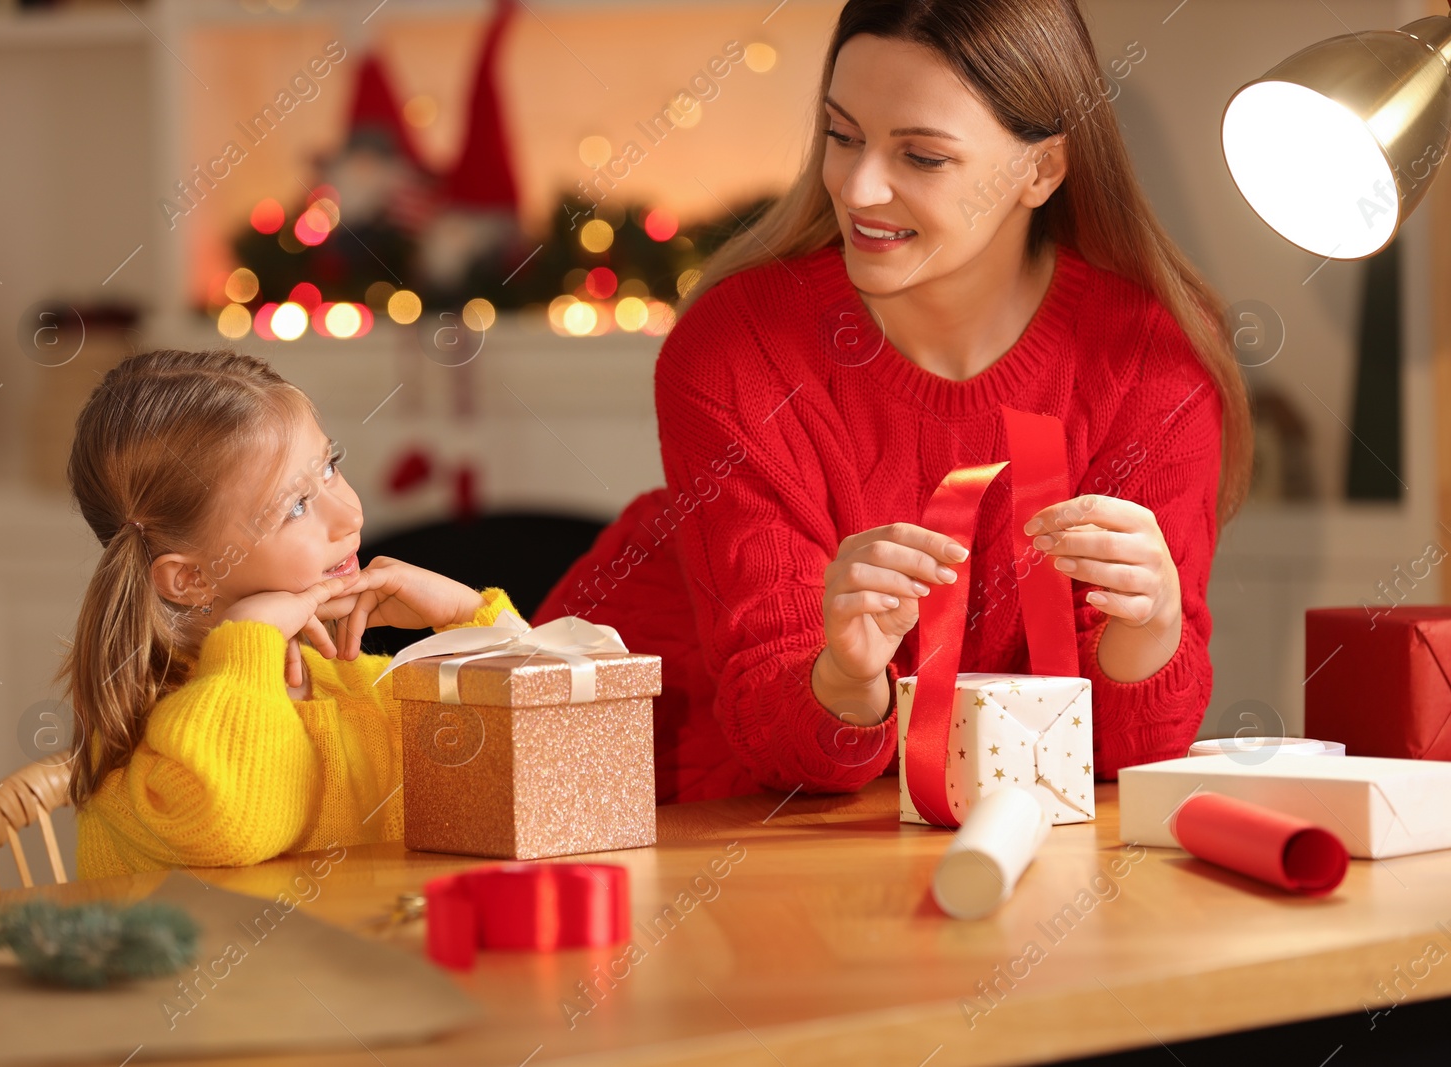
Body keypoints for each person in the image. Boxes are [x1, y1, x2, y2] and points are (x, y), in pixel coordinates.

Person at [532, 0, 1252, 805]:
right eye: (843, 137)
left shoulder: (1152, 360)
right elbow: (776, 740)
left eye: (922, 156)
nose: (860, 188)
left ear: (1042, 170)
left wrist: (1151, 627)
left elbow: (1123, 755)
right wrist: (844, 671)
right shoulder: (736, 351)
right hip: (699, 805)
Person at [60, 349, 519, 878]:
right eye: (296, 506)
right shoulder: (149, 741)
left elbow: (535, 769)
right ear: (191, 579)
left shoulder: (355, 689)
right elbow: (233, 827)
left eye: (330, 466)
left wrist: (471, 623)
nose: (350, 515)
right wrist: (247, 643)